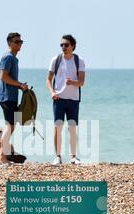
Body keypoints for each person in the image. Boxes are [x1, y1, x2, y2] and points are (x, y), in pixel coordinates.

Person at [46, 34, 85, 165]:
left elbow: (81, 82)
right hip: (59, 98)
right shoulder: (55, 60)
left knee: (72, 128)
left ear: (73, 46)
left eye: (66, 45)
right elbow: (48, 80)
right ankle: (57, 156)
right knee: (58, 127)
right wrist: (52, 92)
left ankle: (73, 157)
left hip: (73, 99)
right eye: (61, 45)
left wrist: (73, 82)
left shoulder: (79, 61)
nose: (63, 47)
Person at [0, 32, 29, 165]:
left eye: (20, 42)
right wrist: (20, 84)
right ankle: (2, 157)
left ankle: (2, 155)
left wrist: (21, 86)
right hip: (6, 97)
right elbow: (3, 77)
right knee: (10, 126)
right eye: (16, 41)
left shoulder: (14, 59)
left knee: (10, 126)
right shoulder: (8, 57)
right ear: (9, 43)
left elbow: (11, 79)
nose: (19, 44)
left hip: (11, 97)